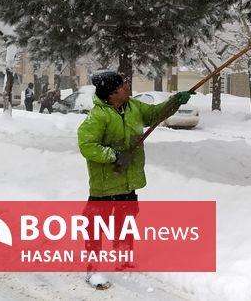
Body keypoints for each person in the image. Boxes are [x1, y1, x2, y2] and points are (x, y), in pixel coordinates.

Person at [77, 70, 192, 288]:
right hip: (105, 184)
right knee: (95, 225)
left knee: (126, 220)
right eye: (122, 85)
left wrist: (174, 102)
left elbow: (155, 114)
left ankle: (123, 258)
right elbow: (87, 145)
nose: (127, 86)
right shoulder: (98, 116)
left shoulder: (133, 108)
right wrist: (115, 155)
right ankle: (93, 270)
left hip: (128, 180)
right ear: (111, 94)